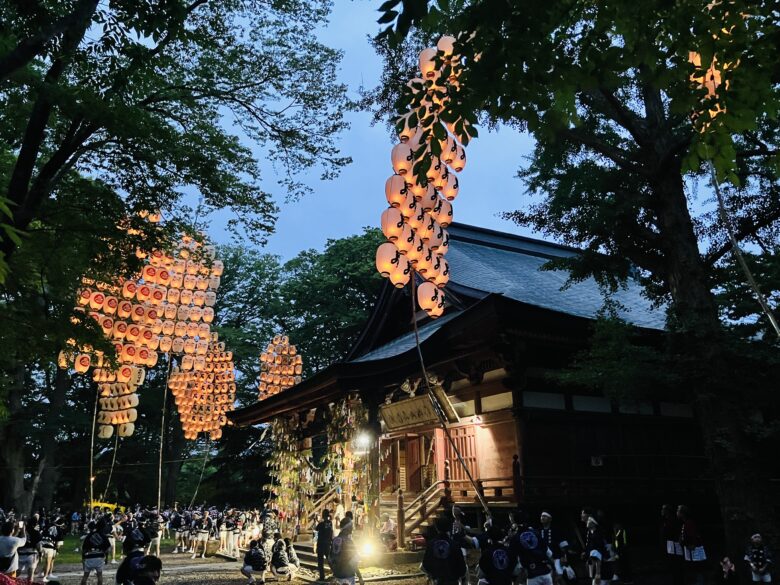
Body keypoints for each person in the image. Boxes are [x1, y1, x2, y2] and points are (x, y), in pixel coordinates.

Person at [508, 515, 554, 585]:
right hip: (545, 572)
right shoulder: (535, 532)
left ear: (514, 522)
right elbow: (548, 552)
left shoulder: (515, 538)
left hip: (532, 575)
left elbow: (512, 556)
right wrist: (553, 566)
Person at [422, 516, 468, 585]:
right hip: (452, 581)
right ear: (449, 528)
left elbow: (425, 565)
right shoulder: (454, 545)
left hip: (436, 581)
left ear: (436, 528)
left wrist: (433, 575)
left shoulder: (431, 545)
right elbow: (462, 568)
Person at [329, 518, 364, 585]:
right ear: (347, 528)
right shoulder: (348, 542)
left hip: (337, 576)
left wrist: (335, 571)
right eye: (351, 526)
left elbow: (330, 559)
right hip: (348, 576)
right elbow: (353, 562)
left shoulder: (335, 540)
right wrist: (360, 577)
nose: (352, 528)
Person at [678, 506, 706, 585]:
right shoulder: (686, 523)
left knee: (697, 570)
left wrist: (685, 543)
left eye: (678, 511)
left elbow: (691, 537)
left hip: (695, 549)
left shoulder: (689, 523)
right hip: (691, 549)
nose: (677, 513)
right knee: (693, 570)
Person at [540, 511, 566, 583]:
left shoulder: (556, 530)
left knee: (559, 576)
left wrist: (563, 556)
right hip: (543, 559)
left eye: (545, 516)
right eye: (542, 516)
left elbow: (562, 545)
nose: (542, 517)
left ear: (550, 519)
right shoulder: (539, 531)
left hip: (556, 557)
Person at [81, 521, 110, 585]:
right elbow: (107, 549)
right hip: (99, 557)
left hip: (89, 557)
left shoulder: (89, 535)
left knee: (85, 576)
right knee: (99, 576)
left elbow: (84, 549)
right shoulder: (103, 536)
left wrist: (83, 559)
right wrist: (106, 559)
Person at [582, 516, 606, 585]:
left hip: (597, 554)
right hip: (590, 556)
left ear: (593, 523)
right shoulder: (589, 533)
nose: (587, 522)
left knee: (597, 575)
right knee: (591, 574)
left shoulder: (598, 533)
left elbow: (600, 545)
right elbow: (588, 545)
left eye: (589, 521)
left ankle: (597, 574)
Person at [314, 509, 334, 582]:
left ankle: (322, 576)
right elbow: (331, 533)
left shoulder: (321, 524)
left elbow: (316, 531)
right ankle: (335, 572)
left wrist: (315, 545)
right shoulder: (330, 523)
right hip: (328, 544)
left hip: (321, 544)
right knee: (329, 559)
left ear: (323, 515)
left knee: (320, 561)